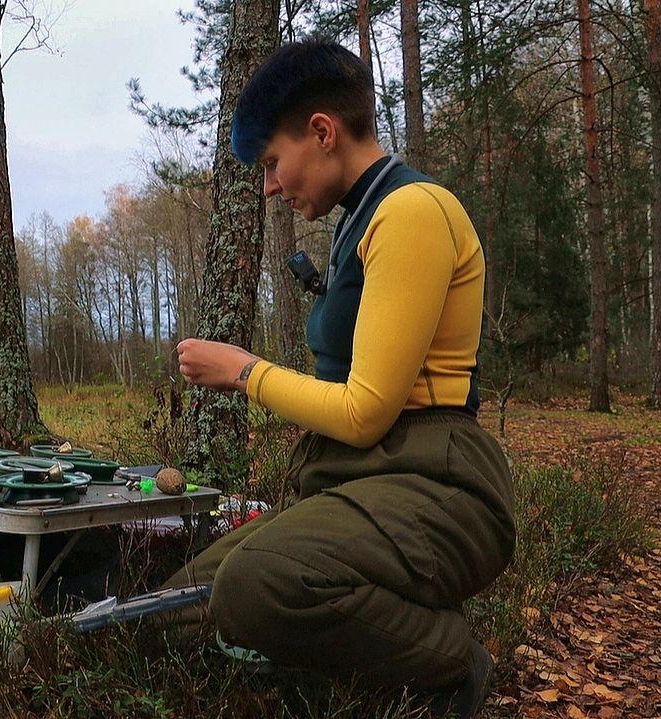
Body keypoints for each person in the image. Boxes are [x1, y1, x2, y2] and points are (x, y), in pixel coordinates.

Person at [165, 39, 516, 719]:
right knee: (176, 608)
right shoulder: (358, 218)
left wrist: (243, 371)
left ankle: (452, 659)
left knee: (256, 584)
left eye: (272, 162)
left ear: (323, 131)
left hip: (437, 483)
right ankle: (351, 636)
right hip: (356, 483)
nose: (270, 186)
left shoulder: (412, 211)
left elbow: (364, 413)